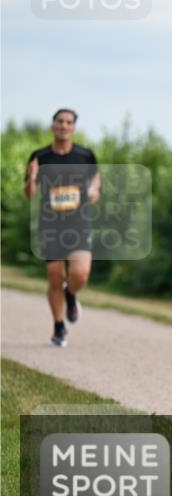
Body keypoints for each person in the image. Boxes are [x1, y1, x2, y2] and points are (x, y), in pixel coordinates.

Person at [24, 108, 101, 347]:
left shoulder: (85, 155)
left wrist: (94, 188)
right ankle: (58, 327)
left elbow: (96, 176)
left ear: (74, 128)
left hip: (78, 224)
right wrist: (32, 175)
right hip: (51, 225)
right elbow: (30, 194)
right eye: (60, 121)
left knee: (80, 274)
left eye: (69, 122)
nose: (64, 126)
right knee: (55, 277)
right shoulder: (40, 156)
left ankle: (71, 294)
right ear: (53, 126)